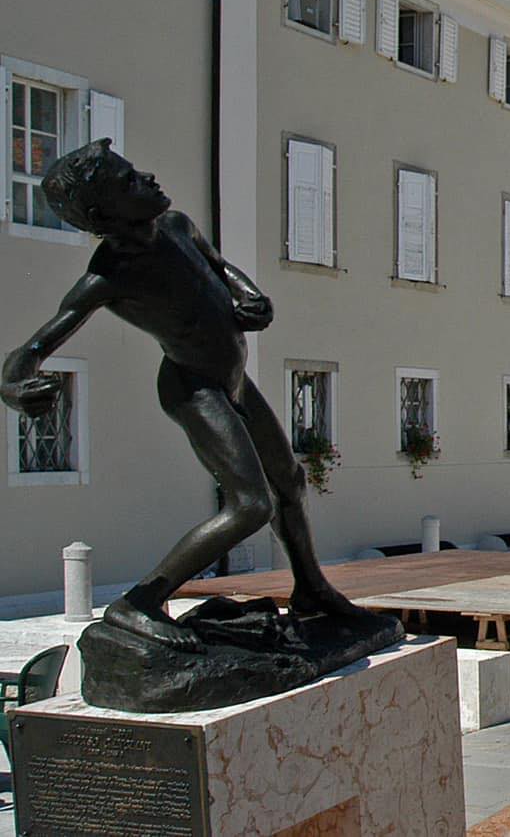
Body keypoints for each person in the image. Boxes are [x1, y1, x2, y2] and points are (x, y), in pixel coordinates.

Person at [1, 140, 372, 652]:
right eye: (130, 181)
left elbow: (219, 267)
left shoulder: (176, 226)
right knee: (250, 505)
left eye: (136, 170)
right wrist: (15, 384)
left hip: (233, 378)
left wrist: (248, 295)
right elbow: (35, 346)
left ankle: (310, 589)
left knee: (288, 479)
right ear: (104, 213)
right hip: (193, 388)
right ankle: (139, 603)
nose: (148, 177)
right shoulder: (109, 276)